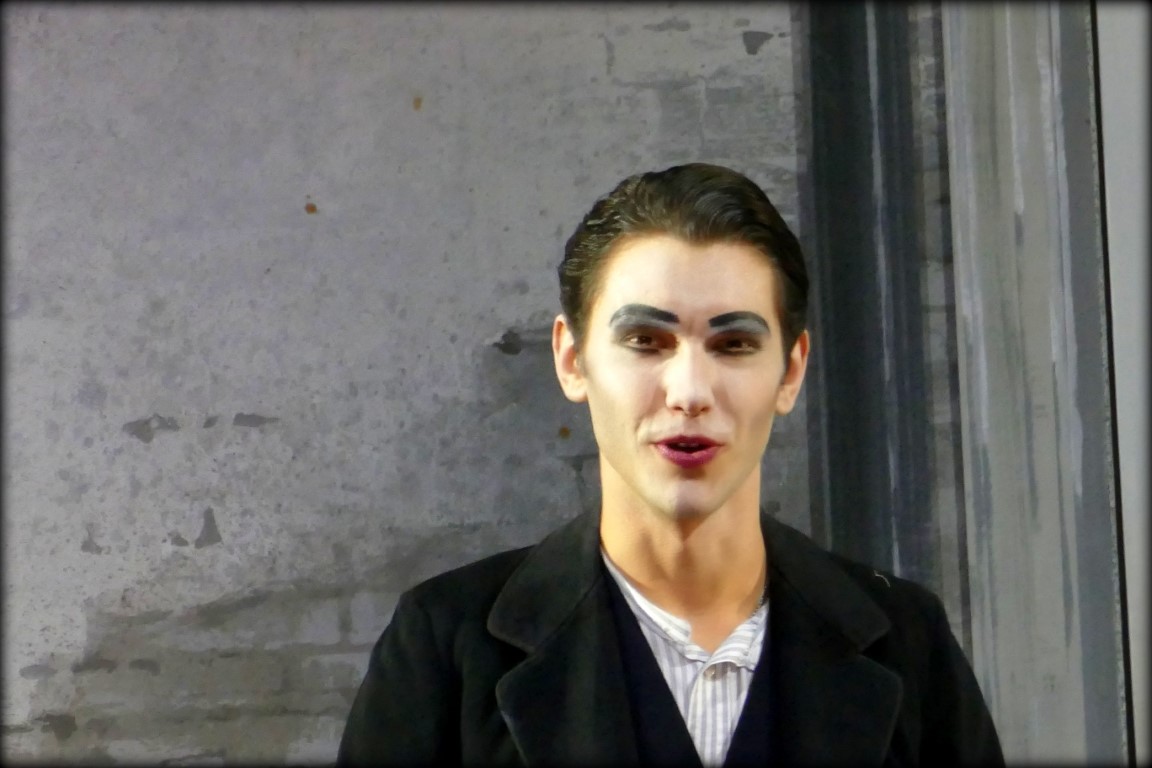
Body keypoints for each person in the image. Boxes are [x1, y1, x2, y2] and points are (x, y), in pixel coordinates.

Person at [337, 163, 1004, 766]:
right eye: (645, 340)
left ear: (791, 371)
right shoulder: (447, 647)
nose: (689, 392)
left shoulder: (908, 645)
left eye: (734, 344)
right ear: (572, 359)